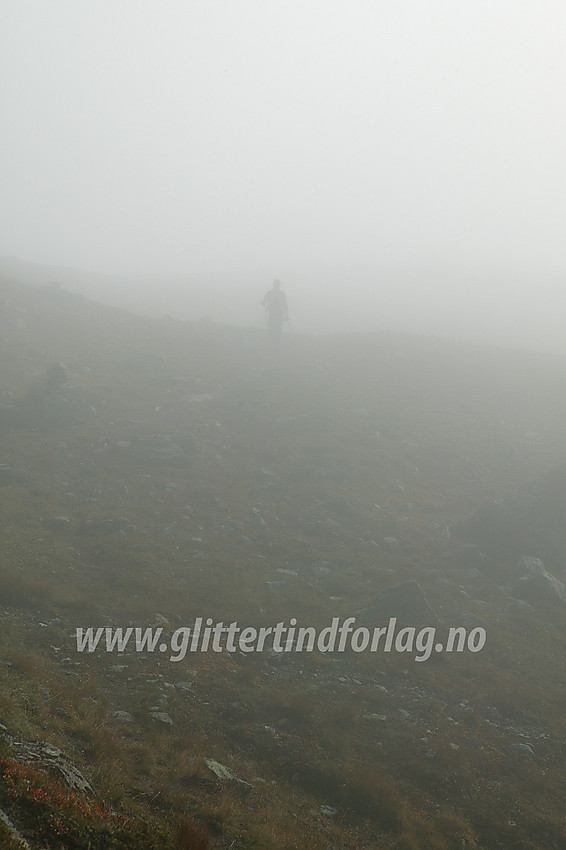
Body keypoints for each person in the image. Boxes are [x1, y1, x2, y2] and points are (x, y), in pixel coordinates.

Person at [261, 279, 288, 345]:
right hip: (279, 313)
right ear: (279, 285)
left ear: (273, 284)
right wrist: (287, 315)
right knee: (278, 327)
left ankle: (273, 340)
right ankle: (276, 341)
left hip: (272, 313)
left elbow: (264, 301)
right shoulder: (282, 294)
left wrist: (263, 303)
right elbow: (285, 305)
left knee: (272, 326)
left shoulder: (270, 292)